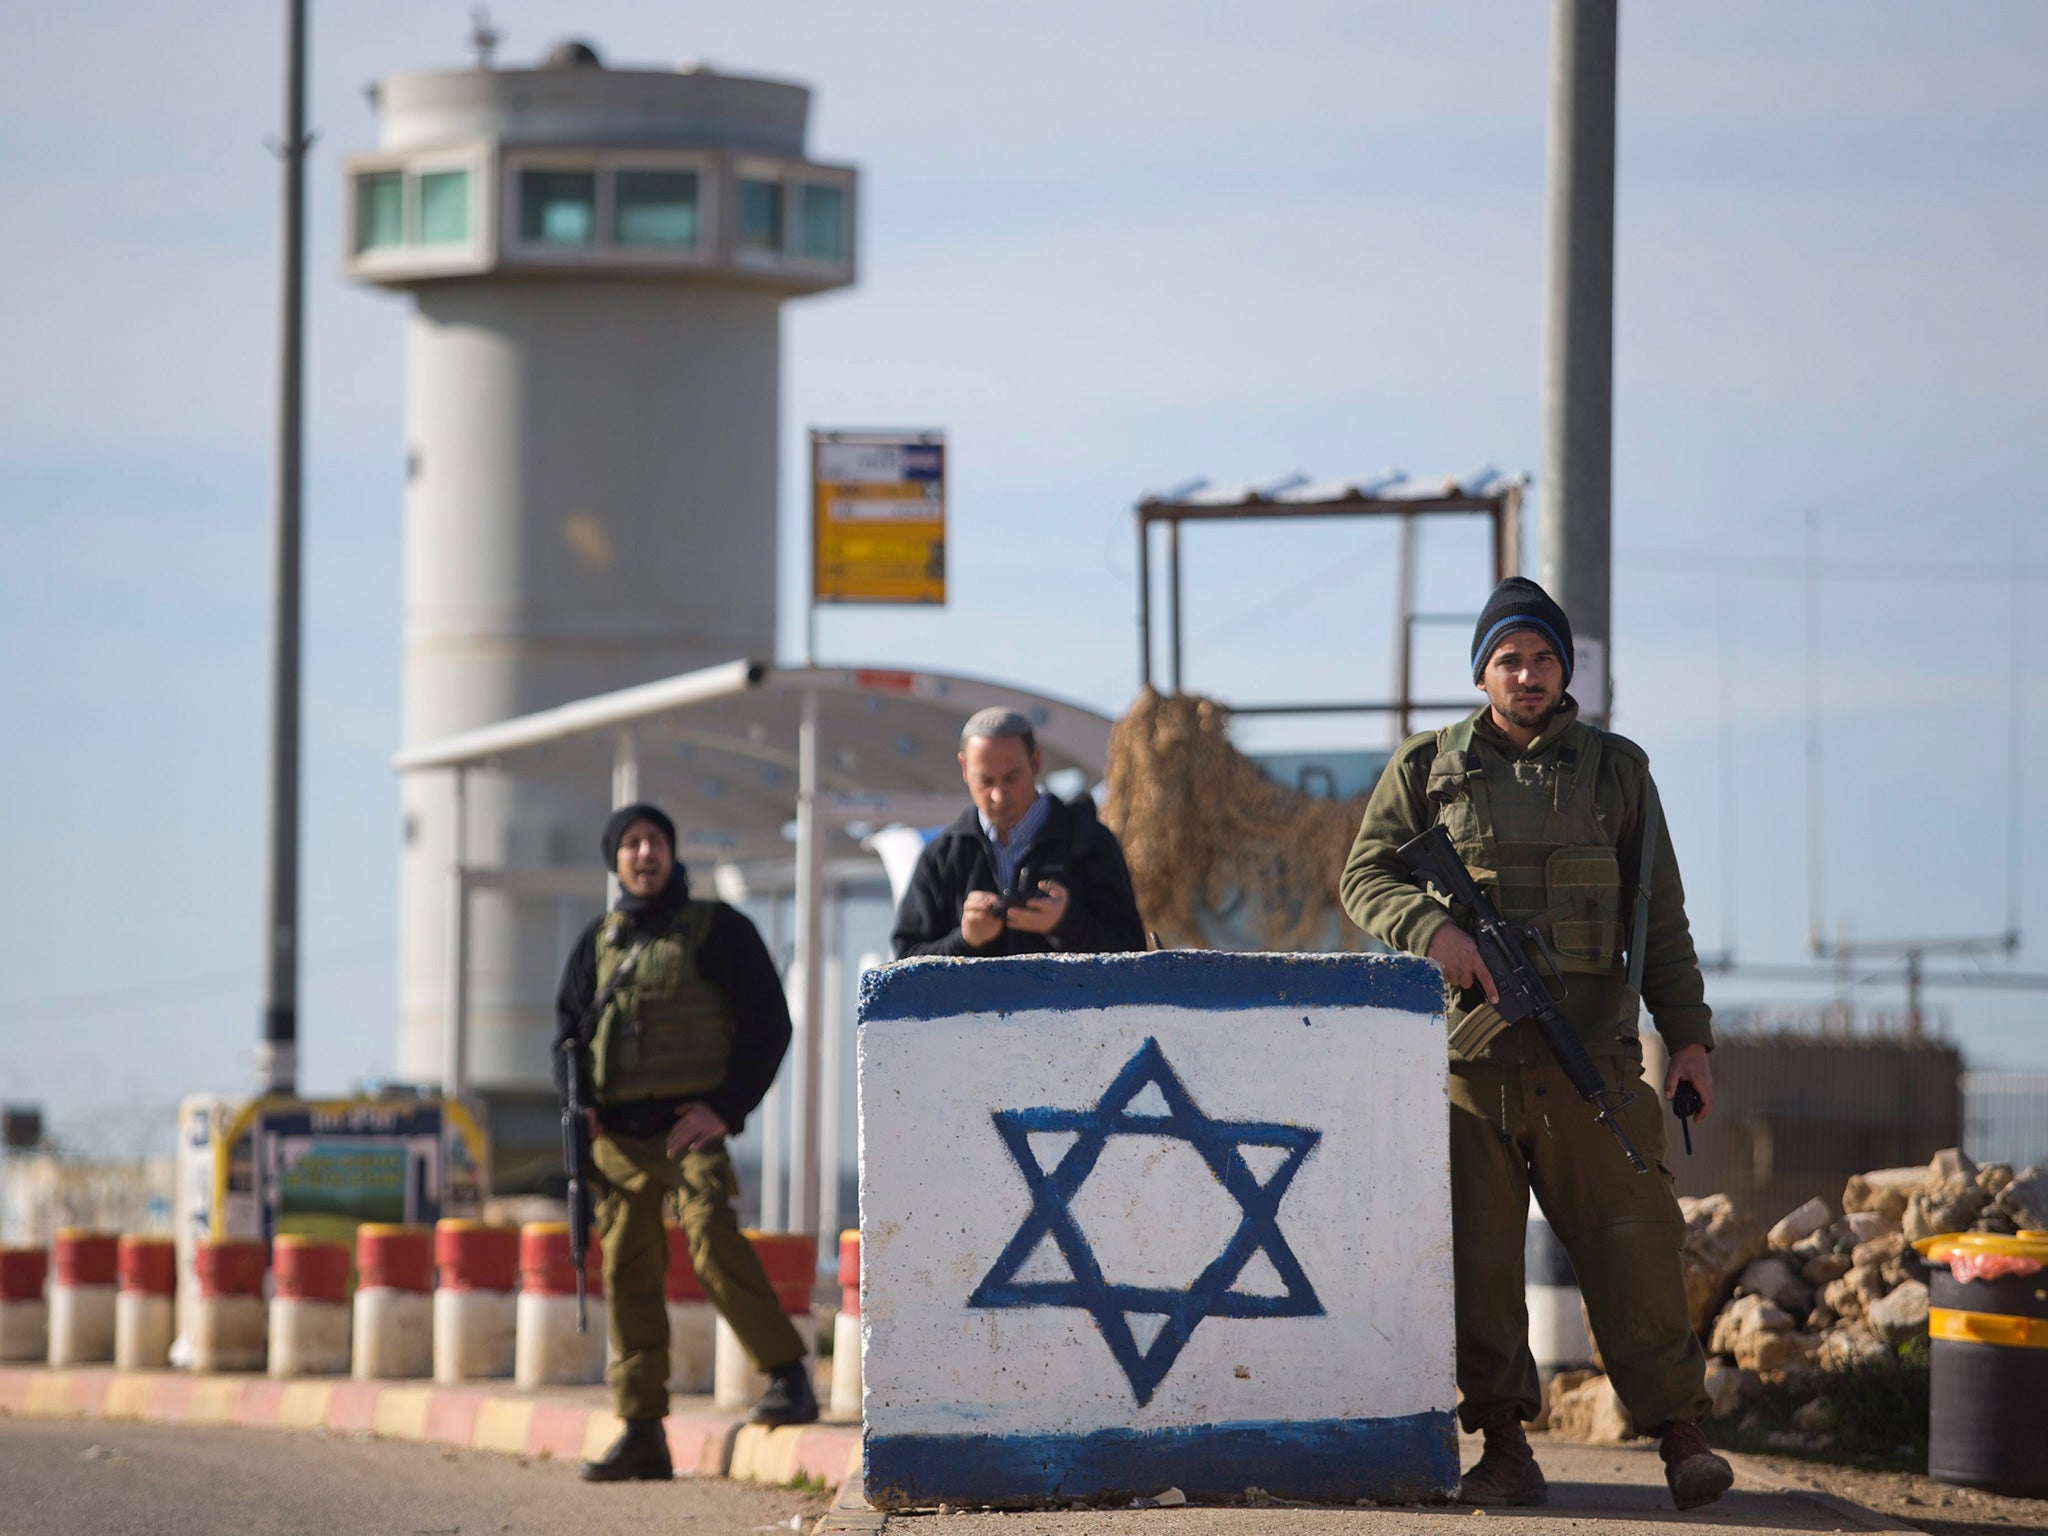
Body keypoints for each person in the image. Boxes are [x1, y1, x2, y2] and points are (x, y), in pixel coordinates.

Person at [1339, 577, 1734, 1512]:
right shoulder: (1427, 766)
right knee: (1476, 1261)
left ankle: (1681, 1435)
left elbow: (1661, 919)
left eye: (1543, 659)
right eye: (1509, 660)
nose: (1527, 674)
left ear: (1566, 674)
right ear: (1482, 673)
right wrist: (1436, 934)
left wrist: (1689, 1041)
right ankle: (1506, 1446)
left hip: (1587, 1059)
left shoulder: (1616, 772)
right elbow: (1365, 876)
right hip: (1468, 1071)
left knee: (1634, 1240)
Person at [554, 802, 818, 1483]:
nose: (645, 854)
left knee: (712, 1240)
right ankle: (642, 1429)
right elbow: (566, 1041)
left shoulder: (716, 930)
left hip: (687, 1129)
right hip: (617, 1138)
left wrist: (725, 1109)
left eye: (656, 842)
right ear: (615, 860)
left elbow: (770, 1025)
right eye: (632, 844)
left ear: (672, 853)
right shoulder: (598, 943)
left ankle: (788, 1376)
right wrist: (578, 1114)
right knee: (627, 1270)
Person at [890, 708, 1147, 959]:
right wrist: (965, 940)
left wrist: (1065, 923)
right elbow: (903, 963)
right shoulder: (941, 856)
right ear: (964, 768)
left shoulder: (1090, 842)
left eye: (1012, 778)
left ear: (1035, 762)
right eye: (986, 780)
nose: (999, 795)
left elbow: (1133, 950)